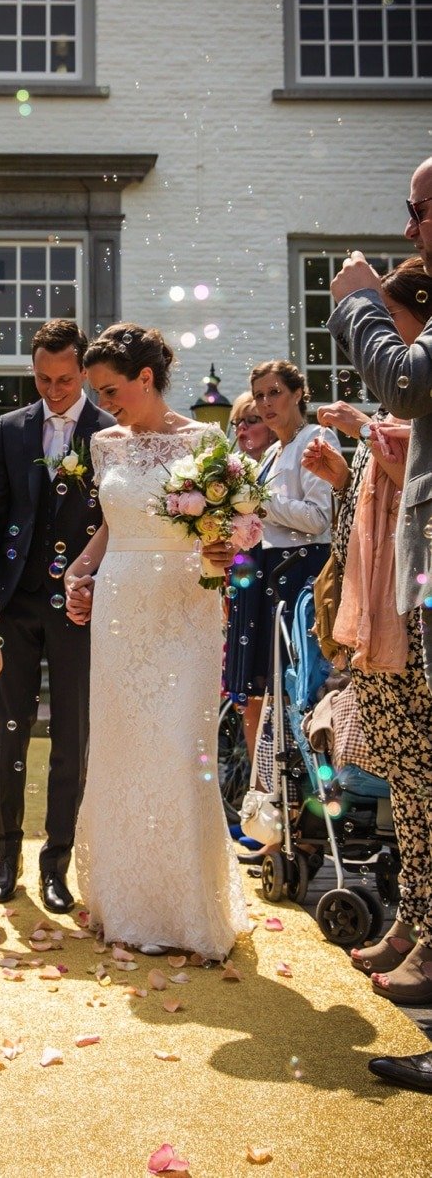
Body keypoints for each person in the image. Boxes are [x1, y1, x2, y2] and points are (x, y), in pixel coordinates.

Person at [63, 323, 249, 959]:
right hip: (120, 603)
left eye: (111, 389)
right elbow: (113, 528)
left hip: (185, 605)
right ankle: (125, 901)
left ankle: (188, 911)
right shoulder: (105, 445)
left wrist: (224, 551)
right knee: (122, 747)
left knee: (176, 747)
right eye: (96, 391)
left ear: (147, 378)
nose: (104, 402)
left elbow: (231, 533)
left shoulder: (206, 440)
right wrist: (80, 569)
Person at [326, 157, 432, 1093]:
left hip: (415, 601)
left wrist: (357, 302)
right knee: (413, 783)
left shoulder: (408, 359)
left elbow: (404, 388)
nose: (410, 231)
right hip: (404, 604)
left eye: (418, 212)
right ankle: (422, 926)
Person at [303, 256, 432, 1008]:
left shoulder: (417, 390)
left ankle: (426, 925)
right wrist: (349, 464)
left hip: (407, 618)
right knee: (411, 787)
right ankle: (415, 916)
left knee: (422, 779)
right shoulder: (402, 408)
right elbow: (377, 501)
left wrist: (381, 446)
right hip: (385, 614)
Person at [0, 319, 116, 913]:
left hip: (80, 608)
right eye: (42, 378)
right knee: (7, 729)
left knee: (72, 735)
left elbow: (118, 526)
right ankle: (6, 858)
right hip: (16, 600)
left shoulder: (109, 433)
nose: (52, 390)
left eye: (63, 379)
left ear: (82, 371)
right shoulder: (11, 430)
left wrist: (96, 584)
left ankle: (56, 863)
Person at [227, 361, 340, 761]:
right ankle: (270, 789)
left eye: (274, 392)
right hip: (265, 573)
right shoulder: (272, 452)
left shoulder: (317, 439)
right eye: (259, 395)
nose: (266, 402)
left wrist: (259, 500)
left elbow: (318, 517)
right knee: (264, 685)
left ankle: (307, 785)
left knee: (298, 682)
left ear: (297, 394)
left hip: (301, 572)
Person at [224, 393, 278, 758]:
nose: (243, 428)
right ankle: (258, 785)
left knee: (273, 680)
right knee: (247, 688)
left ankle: (283, 785)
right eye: (238, 422)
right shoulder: (227, 476)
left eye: (252, 420)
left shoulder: (281, 467)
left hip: (273, 572)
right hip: (242, 577)